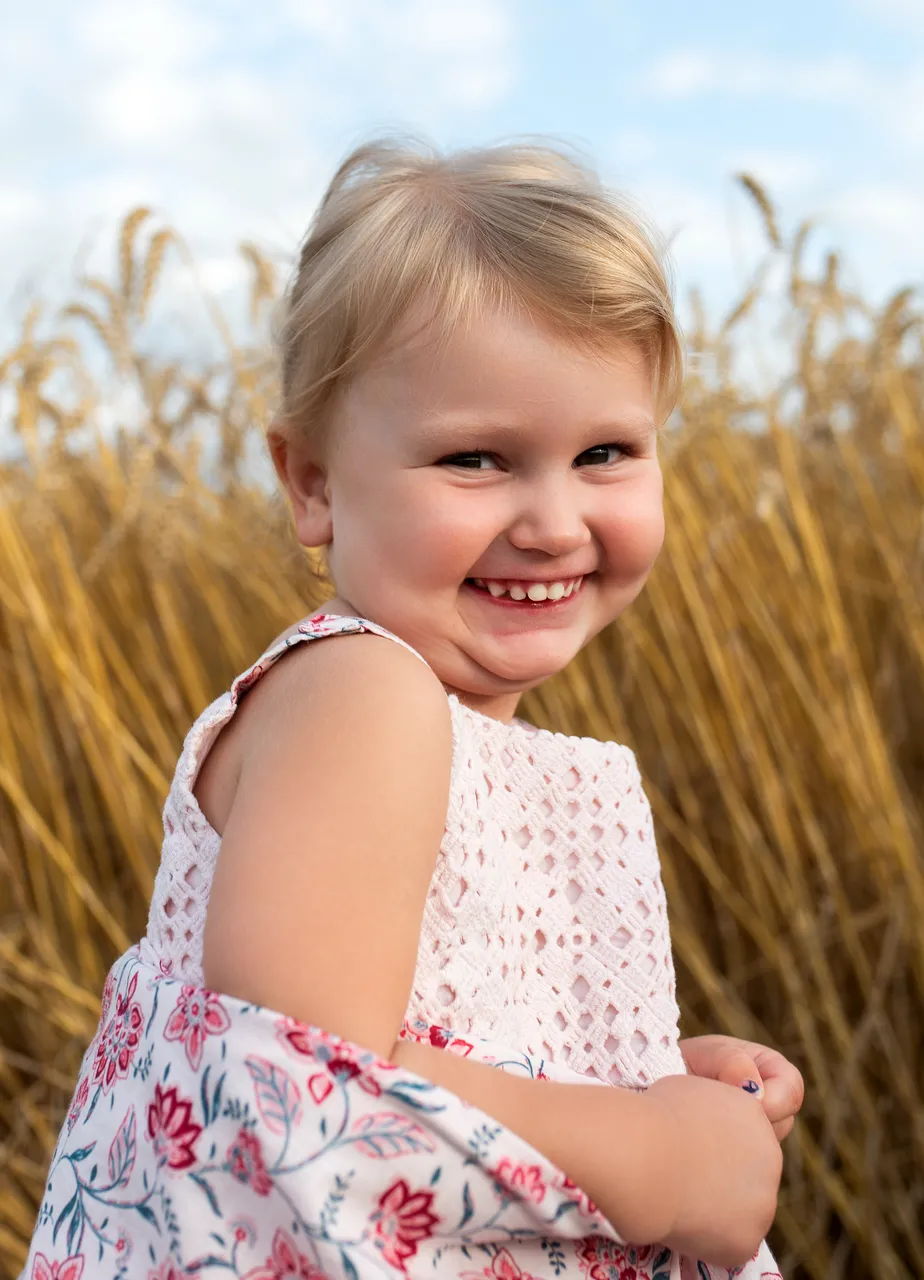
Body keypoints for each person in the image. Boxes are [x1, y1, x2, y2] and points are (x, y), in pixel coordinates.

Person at [23, 138, 803, 1280]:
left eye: (604, 451)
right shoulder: (364, 693)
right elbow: (306, 1086)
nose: (551, 517)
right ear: (313, 483)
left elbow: (439, 1049)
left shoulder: (444, 722)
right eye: (477, 458)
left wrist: (654, 1078)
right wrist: (660, 1155)